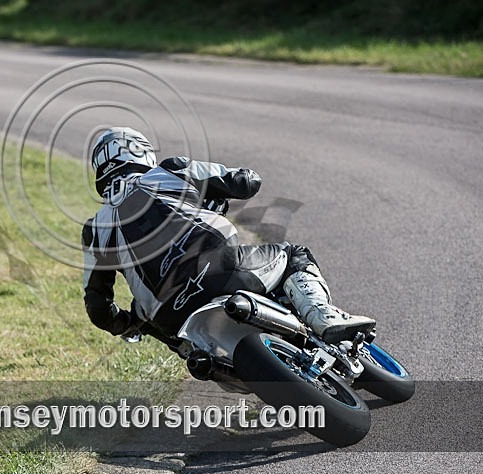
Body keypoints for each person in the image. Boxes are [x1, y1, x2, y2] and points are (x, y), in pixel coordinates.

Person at [82, 126, 375, 347]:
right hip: (221, 268)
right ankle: (322, 314)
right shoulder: (168, 171)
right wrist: (230, 188)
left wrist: (125, 324)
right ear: (140, 152)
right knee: (293, 254)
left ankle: (209, 360)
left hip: (169, 317)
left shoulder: (95, 231)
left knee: (146, 317)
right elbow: (244, 182)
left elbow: (97, 306)